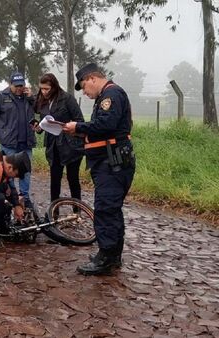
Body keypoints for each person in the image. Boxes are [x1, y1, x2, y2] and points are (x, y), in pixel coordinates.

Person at [62, 63, 136, 276]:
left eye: (84, 86)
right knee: (111, 209)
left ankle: (106, 257)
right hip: (110, 163)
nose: (84, 92)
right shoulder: (107, 95)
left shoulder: (110, 95)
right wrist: (80, 132)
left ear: (93, 78)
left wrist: (78, 126)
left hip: (112, 164)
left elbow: (106, 125)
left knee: (105, 209)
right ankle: (112, 255)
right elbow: (101, 130)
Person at [0, 72, 37, 208]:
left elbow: (40, 109)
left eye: (21, 85)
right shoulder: (1, 96)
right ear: (10, 84)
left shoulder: (28, 97)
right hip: (9, 143)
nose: (19, 88)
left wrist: (32, 97)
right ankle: (12, 198)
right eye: (16, 85)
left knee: (26, 170)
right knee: (10, 171)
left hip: (26, 142)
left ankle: (24, 197)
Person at [34, 73, 85, 204]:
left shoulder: (67, 98)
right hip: (53, 144)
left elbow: (80, 120)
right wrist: (39, 127)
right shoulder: (43, 100)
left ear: (54, 87)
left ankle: (76, 210)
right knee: (54, 178)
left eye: (47, 89)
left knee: (72, 178)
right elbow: (44, 120)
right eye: (42, 88)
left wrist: (68, 126)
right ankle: (54, 210)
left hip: (71, 144)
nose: (44, 92)